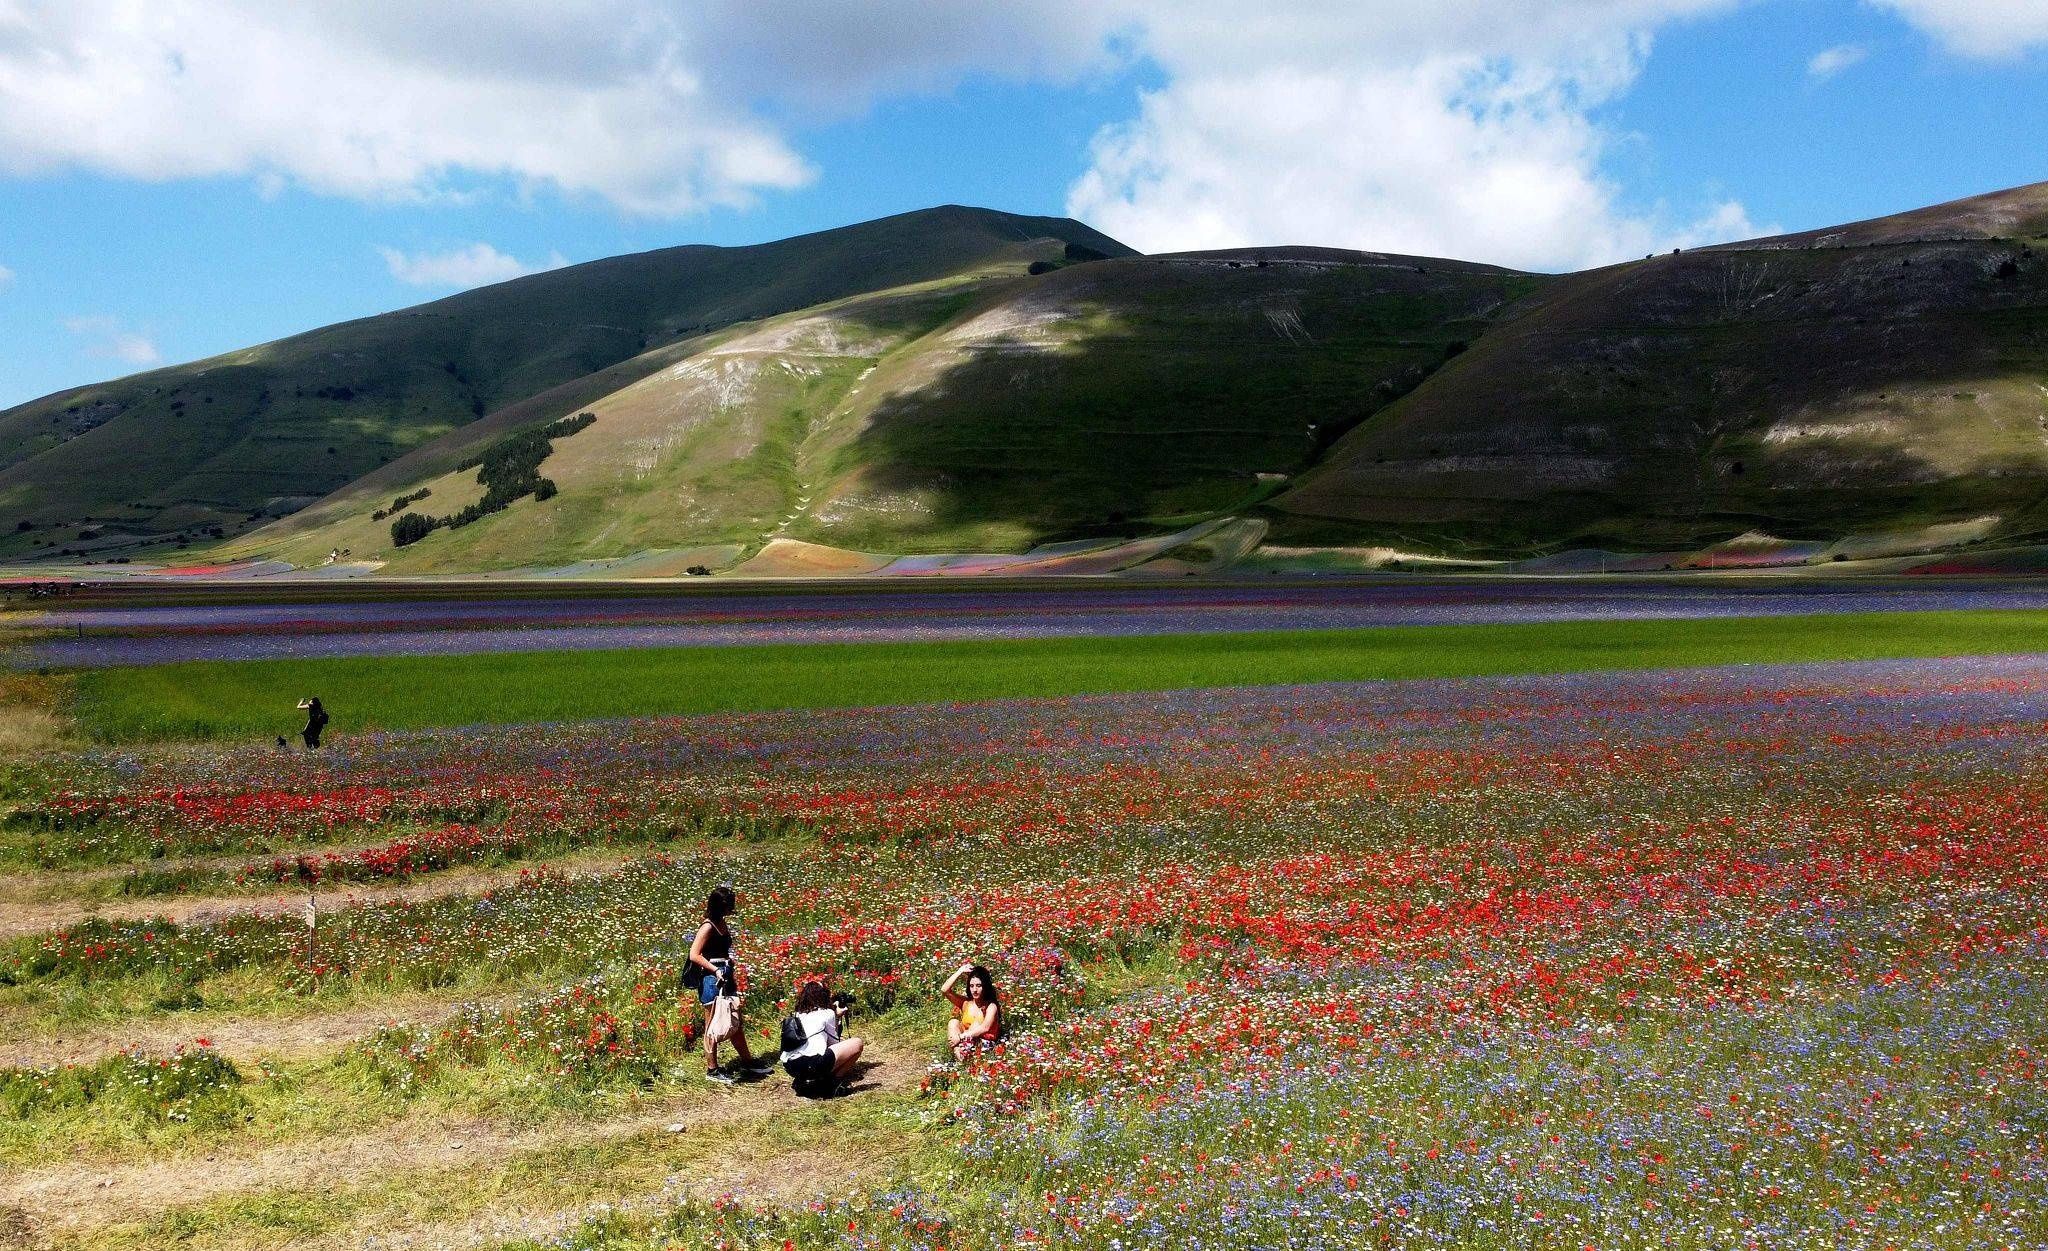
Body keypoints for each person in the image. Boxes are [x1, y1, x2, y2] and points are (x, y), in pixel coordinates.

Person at [688, 885, 769, 1084]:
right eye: (728, 906)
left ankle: (748, 1062)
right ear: (719, 906)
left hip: (725, 974)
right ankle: (712, 1069)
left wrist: (727, 962)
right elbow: (694, 954)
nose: (730, 910)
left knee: (735, 1020)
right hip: (711, 979)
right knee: (712, 1025)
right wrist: (715, 969)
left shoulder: (721, 923)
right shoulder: (707, 926)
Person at [781, 978, 863, 1097]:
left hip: (790, 1065)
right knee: (857, 1043)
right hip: (813, 1064)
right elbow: (833, 1044)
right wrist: (836, 1017)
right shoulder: (827, 1013)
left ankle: (803, 1079)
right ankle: (833, 1083)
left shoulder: (798, 1013)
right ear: (824, 996)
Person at [940, 963, 1001, 1058]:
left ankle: (963, 1060)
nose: (974, 990)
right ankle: (960, 1057)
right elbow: (945, 990)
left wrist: (960, 1037)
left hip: (984, 1044)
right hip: (965, 1042)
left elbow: (985, 1028)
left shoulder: (991, 1006)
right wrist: (960, 971)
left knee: (976, 1024)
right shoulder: (966, 1003)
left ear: (985, 986)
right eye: (971, 986)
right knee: (953, 1022)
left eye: (978, 985)